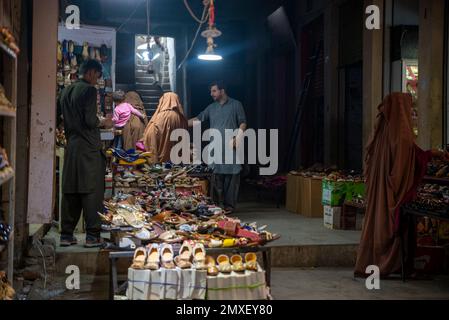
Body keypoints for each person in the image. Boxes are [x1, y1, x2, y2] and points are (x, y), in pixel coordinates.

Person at [354, 92, 449, 277]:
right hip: (391, 193)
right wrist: (432, 155)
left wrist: (432, 154)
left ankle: (371, 262)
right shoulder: (402, 135)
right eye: (410, 109)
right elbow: (405, 165)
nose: (412, 113)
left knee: (376, 224)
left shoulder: (382, 130)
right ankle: (389, 263)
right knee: (391, 227)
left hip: (379, 192)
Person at [58, 59, 113, 248]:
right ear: (90, 73)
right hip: (88, 148)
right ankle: (92, 236)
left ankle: (66, 235)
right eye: (97, 76)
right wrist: (103, 122)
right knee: (92, 191)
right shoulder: (89, 90)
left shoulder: (65, 91)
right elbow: (90, 120)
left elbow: (59, 115)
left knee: (71, 190)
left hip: (72, 146)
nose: (97, 80)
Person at [188, 81, 247, 213]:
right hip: (216, 148)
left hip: (231, 147)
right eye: (211, 91)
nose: (211, 94)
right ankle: (218, 206)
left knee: (232, 177)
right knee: (217, 176)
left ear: (222, 91)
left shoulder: (236, 105)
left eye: (214, 91)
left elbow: (243, 122)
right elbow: (198, 119)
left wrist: (238, 136)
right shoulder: (211, 108)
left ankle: (229, 206)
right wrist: (179, 123)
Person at [143, 92, 188, 163]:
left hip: (162, 160)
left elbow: (151, 134)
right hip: (177, 159)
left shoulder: (160, 116)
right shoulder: (181, 118)